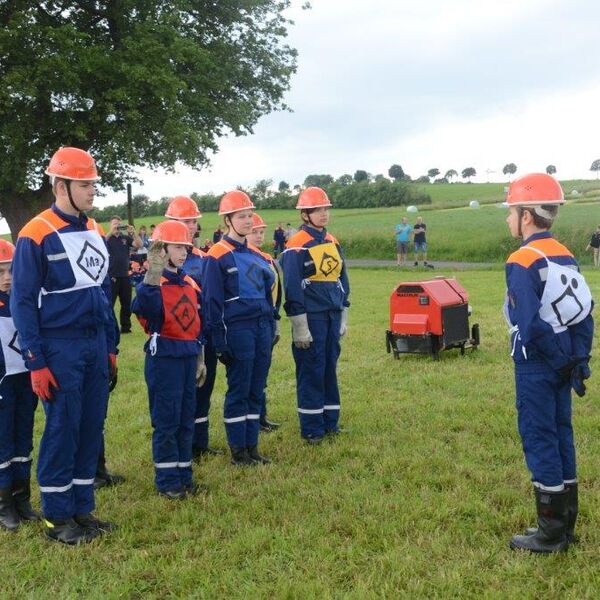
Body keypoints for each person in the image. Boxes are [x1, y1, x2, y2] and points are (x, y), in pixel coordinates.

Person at [11, 146, 118, 544]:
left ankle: (81, 509)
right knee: (62, 429)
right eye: (85, 184)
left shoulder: (94, 228)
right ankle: (57, 518)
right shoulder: (34, 233)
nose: (92, 192)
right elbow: (22, 302)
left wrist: (110, 346)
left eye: (93, 184)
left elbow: (103, 290)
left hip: (93, 343)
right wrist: (35, 360)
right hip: (60, 348)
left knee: (90, 427)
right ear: (61, 185)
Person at [503, 173, 593, 553]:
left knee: (540, 439)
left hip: (538, 365)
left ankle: (551, 533)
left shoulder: (521, 259)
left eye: (510, 211)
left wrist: (557, 362)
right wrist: (577, 360)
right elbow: (584, 314)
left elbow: (529, 324)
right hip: (564, 362)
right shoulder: (565, 254)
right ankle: (566, 524)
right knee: (561, 437)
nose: (508, 219)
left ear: (526, 215)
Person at [132, 220, 205, 499]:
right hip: (164, 358)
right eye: (177, 247)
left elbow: (201, 324)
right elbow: (144, 309)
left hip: (188, 357)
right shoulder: (154, 283)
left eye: (186, 246)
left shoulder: (190, 283)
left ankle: (184, 476)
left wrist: (200, 359)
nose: (184, 252)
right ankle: (167, 481)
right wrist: (153, 272)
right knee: (167, 420)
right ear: (161, 250)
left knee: (187, 417)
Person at [203, 191, 276, 465]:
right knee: (240, 389)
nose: (247, 221)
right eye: (241, 216)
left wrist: (272, 325)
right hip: (238, 330)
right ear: (227, 220)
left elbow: (269, 294)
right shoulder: (217, 256)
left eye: (249, 215)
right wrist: (219, 342)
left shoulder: (257, 255)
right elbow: (211, 301)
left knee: (256, 388)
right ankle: (238, 451)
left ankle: (252, 446)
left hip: (262, 328)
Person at [280, 187, 350, 444]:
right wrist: (299, 324)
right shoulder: (296, 244)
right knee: (311, 369)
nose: (323, 214)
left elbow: (342, 276)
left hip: (332, 313)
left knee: (329, 367)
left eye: (325, 209)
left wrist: (345, 310)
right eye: (317, 210)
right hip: (312, 317)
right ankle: (311, 428)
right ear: (305, 214)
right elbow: (291, 285)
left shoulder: (331, 240)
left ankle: (330, 422)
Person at [164, 195, 222, 459]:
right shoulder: (164, 261)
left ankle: (200, 443)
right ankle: (183, 446)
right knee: (183, 393)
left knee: (205, 388)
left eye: (193, 221)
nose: (190, 226)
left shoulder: (203, 257)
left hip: (205, 333)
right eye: (185, 221)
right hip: (179, 338)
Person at [0, 240, 39, 531]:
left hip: (25, 379)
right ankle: (4, 506)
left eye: (11, 270)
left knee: (24, 437)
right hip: (3, 383)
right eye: (0, 272)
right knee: (3, 442)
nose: (7, 277)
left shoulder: (25, 300)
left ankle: (21, 498)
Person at [247, 212, 282, 432]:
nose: (259, 236)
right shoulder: (246, 258)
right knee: (252, 372)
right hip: (254, 322)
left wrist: (276, 318)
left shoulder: (267, 258)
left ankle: (262, 415)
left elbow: (277, 292)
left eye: (261, 232)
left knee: (263, 370)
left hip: (269, 319)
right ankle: (254, 417)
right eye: (255, 232)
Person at [106, 216, 142, 333]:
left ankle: (126, 327)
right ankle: (109, 326)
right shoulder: (107, 238)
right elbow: (100, 243)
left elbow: (139, 245)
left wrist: (133, 233)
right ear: (110, 225)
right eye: (114, 224)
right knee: (109, 303)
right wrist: (111, 232)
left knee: (126, 303)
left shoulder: (125, 238)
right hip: (112, 276)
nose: (117, 226)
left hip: (125, 275)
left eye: (118, 224)